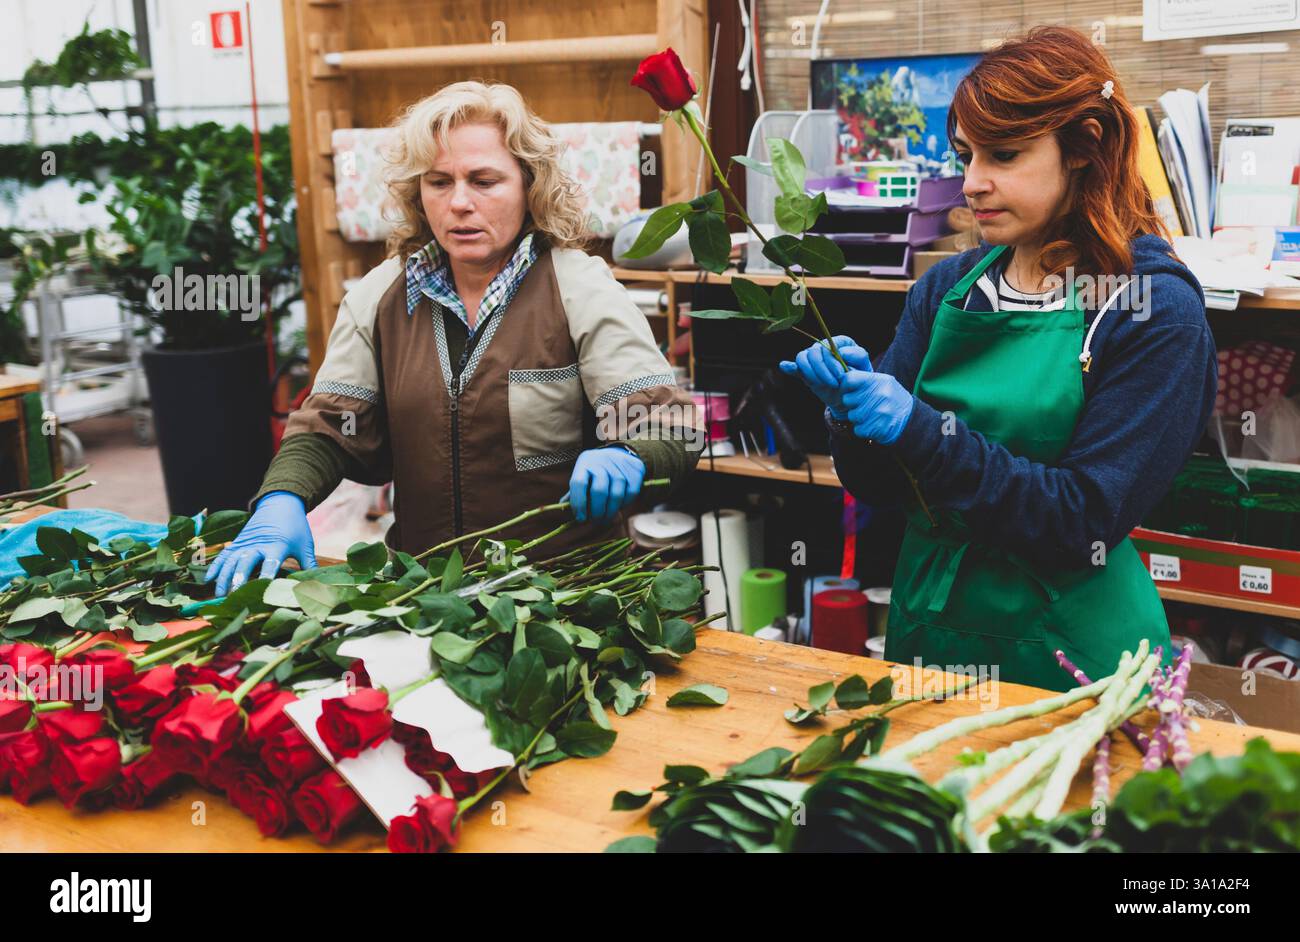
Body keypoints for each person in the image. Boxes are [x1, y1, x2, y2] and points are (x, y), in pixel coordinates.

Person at [782, 27, 1217, 690]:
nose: (972, 184)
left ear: (1085, 146)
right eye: (965, 156)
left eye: (1005, 155)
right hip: (930, 635)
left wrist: (922, 430)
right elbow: (883, 487)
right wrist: (851, 414)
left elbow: (1081, 518)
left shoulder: (1150, 311)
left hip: (1074, 662)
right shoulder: (946, 292)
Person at [207, 81, 700, 594]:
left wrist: (631, 454)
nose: (459, 203)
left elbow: (670, 425)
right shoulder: (380, 297)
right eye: (439, 181)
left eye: (484, 181)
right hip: (426, 597)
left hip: (567, 599)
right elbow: (332, 424)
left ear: (529, 187)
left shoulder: (578, 288)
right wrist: (281, 499)